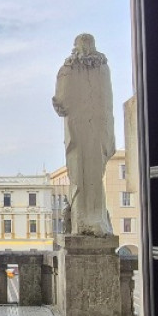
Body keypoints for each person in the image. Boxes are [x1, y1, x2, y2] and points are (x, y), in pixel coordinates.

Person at [52, 33, 115, 236]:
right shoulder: (102, 68)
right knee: (89, 173)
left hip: (84, 128)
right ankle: (90, 218)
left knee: (82, 173)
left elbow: (60, 103)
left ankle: (87, 219)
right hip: (94, 128)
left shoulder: (68, 68)